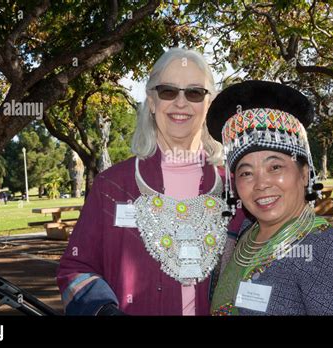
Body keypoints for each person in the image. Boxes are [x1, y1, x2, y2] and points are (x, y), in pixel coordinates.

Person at [56, 48, 244, 316]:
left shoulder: (237, 188)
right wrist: (102, 311)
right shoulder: (111, 187)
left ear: (208, 104)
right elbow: (75, 267)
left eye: (194, 92)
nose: (181, 103)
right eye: (168, 91)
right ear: (152, 102)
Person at [207, 81, 333, 315]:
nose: (261, 184)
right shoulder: (242, 237)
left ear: (304, 174)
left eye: (275, 167)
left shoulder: (332, 253)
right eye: (246, 172)